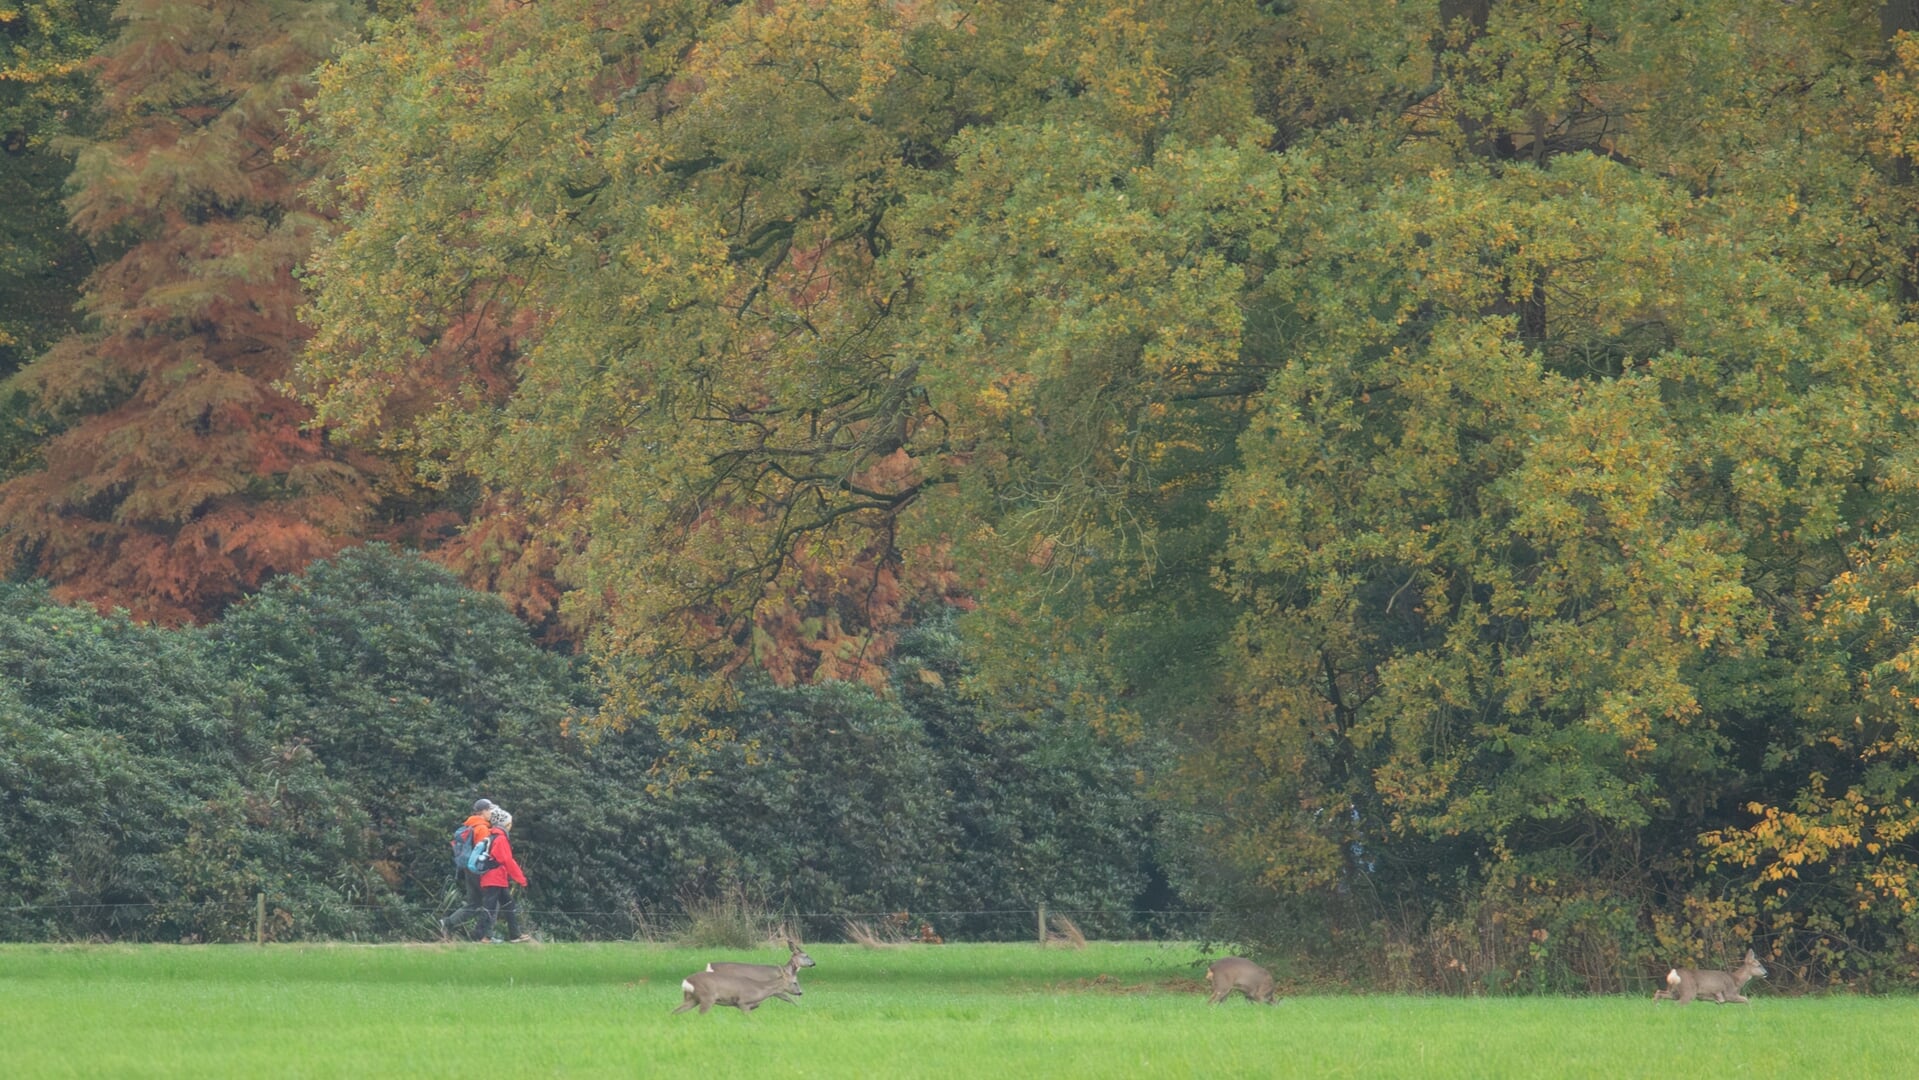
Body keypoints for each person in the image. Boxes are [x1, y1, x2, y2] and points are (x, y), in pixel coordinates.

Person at [474, 806, 531, 943]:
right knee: (490, 908)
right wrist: (520, 878)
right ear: (505, 823)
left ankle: (514, 935)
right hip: (495, 879)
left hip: (495, 878)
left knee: (508, 904)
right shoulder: (501, 838)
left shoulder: (494, 836)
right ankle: (479, 936)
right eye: (509, 823)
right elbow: (506, 860)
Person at [439, 799, 495, 941]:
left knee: (473, 903)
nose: (491, 813)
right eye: (489, 810)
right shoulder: (482, 828)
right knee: (492, 900)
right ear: (483, 812)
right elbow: (485, 852)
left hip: (467, 869)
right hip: (479, 870)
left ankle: (448, 923)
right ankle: (485, 936)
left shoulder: (468, 825)